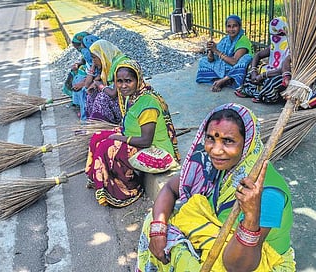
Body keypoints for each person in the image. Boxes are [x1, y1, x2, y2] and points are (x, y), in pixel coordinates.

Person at [136, 103, 295, 271]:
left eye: (228, 141)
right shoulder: (215, 167)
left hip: (255, 258)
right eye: (211, 138)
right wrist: (158, 229)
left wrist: (250, 217)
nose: (216, 150)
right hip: (215, 235)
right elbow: (170, 188)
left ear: (247, 143)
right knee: (155, 222)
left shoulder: (268, 194)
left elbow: (238, 267)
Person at [85, 59, 181, 207]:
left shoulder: (148, 103)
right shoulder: (131, 96)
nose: (123, 86)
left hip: (157, 151)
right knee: (97, 137)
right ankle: (100, 179)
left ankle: (127, 190)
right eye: (119, 81)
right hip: (138, 139)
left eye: (128, 81)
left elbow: (146, 141)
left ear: (138, 80)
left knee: (107, 148)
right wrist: (119, 136)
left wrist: (119, 137)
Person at [235, 17, 290, 104]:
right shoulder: (275, 45)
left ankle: (265, 96)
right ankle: (252, 91)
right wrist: (254, 71)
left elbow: (283, 69)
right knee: (251, 68)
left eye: (279, 35)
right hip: (270, 70)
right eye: (273, 35)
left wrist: (263, 75)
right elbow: (258, 55)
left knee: (273, 82)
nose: (275, 38)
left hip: (280, 74)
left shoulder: (290, 48)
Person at [196, 15, 253, 92]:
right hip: (226, 65)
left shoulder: (243, 40)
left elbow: (234, 62)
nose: (231, 29)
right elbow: (211, 60)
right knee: (203, 61)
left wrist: (216, 51)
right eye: (229, 26)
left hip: (237, 67)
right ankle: (222, 81)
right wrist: (211, 50)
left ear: (240, 27)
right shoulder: (225, 39)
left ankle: (223, 81)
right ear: (226, 28)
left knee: (246, 59)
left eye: (234, 26)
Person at [85, 39, 130, 124]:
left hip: (128, 104)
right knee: (91, 94)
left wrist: (99, 85)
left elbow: (113, 93)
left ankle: (102, 126)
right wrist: (96, 83)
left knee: (102, 98)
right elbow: (88, 85)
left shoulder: (120, 66)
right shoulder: (109, 64)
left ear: (103, 55)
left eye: (94, 57)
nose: (93, 61)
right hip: (120, 100)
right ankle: (93, 124)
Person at [71, 34, 101, 121]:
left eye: (84, 49)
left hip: (104, 86)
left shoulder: (100, 59)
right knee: (80, 82)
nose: (83, 51)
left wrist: (85, 83)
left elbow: (99, 78)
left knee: (85, 91)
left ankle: (86, 119)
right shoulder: (92, 60)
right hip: (95, 81)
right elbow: (90, 80)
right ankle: (80, 107)